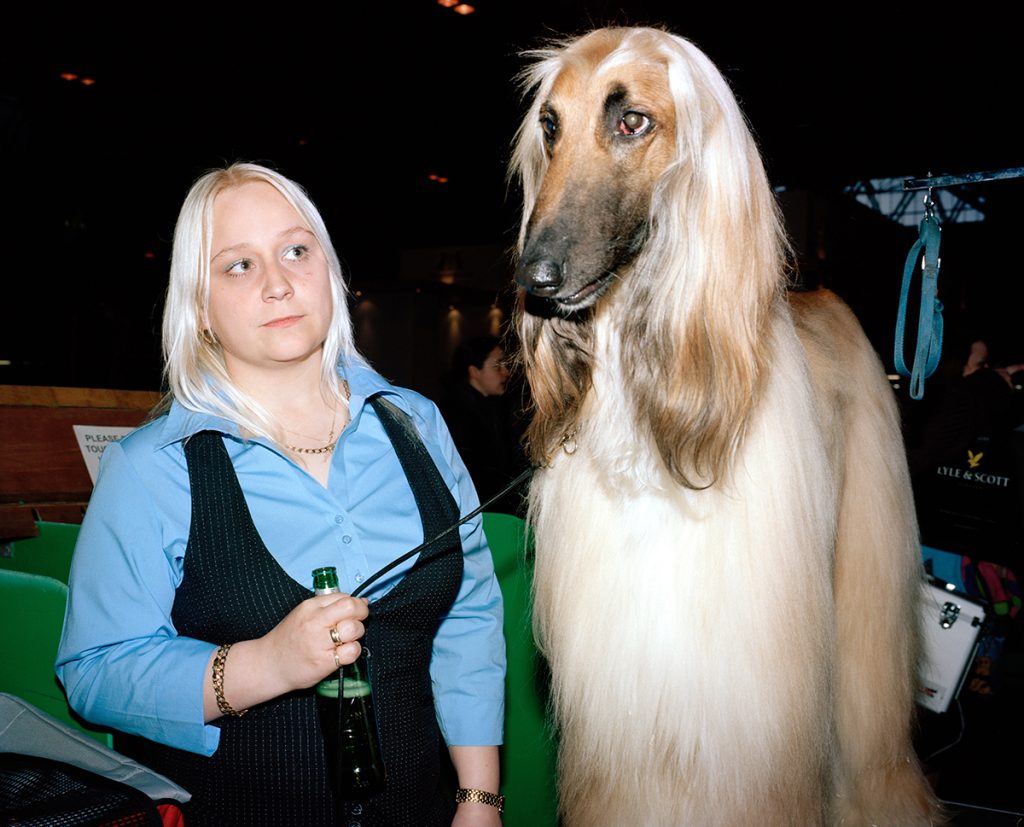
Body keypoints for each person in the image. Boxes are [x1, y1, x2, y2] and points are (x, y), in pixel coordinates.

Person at [55, 163, 505, 827]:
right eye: (238, 265)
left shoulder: (418, 424)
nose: (277, 282)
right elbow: (95, 671)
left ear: (329, 272)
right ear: (200, 310)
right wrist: (265, 663)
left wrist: (479, 796)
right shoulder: (152, 466)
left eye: (296, 250)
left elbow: (470, 614)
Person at [440, 336, 528, 515]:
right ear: (474, 371)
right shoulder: (459, 414)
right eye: (497, 366)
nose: (506, 372)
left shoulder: (494, 407)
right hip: (480, 514)